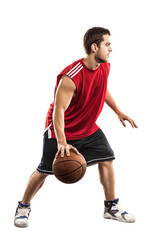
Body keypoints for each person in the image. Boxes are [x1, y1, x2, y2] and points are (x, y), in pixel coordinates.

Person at [14, 27, 138, 227]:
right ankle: (23, 207)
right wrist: (61, 141)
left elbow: (102, 87)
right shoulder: (71, 76)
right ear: (94, 47)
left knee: (107, 159)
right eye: (107, 44)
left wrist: (118, 111)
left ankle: (110, 207)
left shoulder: (104, 67)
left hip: (88, 128)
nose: (111, 49)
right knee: (44, 170)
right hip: (61, 130)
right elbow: (58, 111)